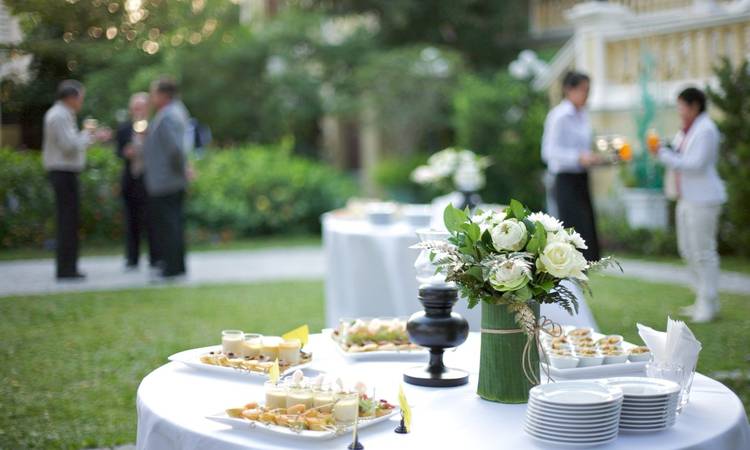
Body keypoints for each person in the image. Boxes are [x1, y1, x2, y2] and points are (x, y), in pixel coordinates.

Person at [653, 87, 726, 323]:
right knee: (687, 250)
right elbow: (677, 153)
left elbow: (694, 164)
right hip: (685, 198)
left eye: (681, 106)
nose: (679, 112)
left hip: (704, 199)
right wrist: (662, 149)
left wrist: (662, 154)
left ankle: (709, 302)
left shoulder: (706, 130)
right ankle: (700, 298)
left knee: (704, 252)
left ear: (694, 106)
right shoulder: (687, 130)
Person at [42, 80, 109, 280]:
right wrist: (90, 136)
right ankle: (66, 269)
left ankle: (69, 267)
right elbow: (68, 145)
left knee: (69, 221)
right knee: (67, 221)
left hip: (65, 173)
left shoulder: (62, 114)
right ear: (71, 97)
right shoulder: (59, 115)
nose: (81, 102)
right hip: (63, 172)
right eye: (81, 97)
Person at [541, 71, 601, 261]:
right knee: (571, 229)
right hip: (565, 179)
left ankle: (586, 270)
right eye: (583, 90)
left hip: (581, 178)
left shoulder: (582, 115)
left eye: (588, 90)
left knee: (586, 231)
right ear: (569, 89)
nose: (586, 94)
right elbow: (549, 152)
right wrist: (577, 158)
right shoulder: (559, 116)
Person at [143, 77, 191, 280]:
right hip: (168, 178)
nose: (152, 97)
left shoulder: (169, 115)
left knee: (169, 224)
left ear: (164, 95)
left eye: (154, 93)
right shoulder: (171, 112)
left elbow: (175, 150)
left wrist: (182, 170)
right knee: (172, 223)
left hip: (167, 180)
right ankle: (175, 265)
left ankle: (171, 267)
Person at [116, 92, 158, 270]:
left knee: (152, 220)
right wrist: (126, 153)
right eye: (134, 108)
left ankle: (156, 257)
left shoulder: (155, 127)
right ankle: (132, 258)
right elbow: (118, 152)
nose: (137, 111)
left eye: (140, 107)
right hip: (131, 179)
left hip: (149, 179)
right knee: (131, 221)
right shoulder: (124, 128)